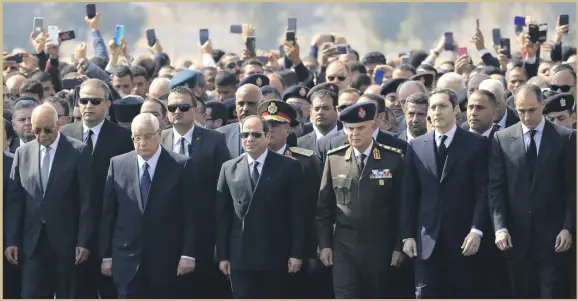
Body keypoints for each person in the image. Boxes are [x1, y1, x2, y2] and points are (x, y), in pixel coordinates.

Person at [488, 84, 576, 298]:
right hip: (516, 239)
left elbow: (572, 189)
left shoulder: (565, 138)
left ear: (542, 105)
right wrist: (500, 227)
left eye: (532, 110)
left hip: (553, 238)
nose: (526, 116)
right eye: (521, 111)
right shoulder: (503, 138)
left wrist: (568, 227)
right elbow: (496, 189)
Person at [400, 88, 489, 298]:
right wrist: (407, 235)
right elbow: (409, 195)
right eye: (433, 107)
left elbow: (482, 192)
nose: (437, 112)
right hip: (426, 240)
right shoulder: (416, 146)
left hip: (463, 239)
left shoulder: (476, 144)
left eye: (442, 106)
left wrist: (476, 230)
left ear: (456, 109)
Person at [99, 113, 199, 298]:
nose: (142, 142)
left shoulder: (180, 165)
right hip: (127, 261)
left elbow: (191, 215)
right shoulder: (118, 164)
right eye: (136, 137)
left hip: (166, 261)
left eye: (147, 136)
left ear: (159, 133)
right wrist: (107, 256)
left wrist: (188, 254)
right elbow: (108, 215)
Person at [317, 102, 405, 298]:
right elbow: (324, 208)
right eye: (350, 128)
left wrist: (398, 246)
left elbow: (401, 207)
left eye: (360, 128)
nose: (354, 133)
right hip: (344, 248)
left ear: (374, 127)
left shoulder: (392, 159)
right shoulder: (335, 159)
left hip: (380, 246)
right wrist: (324, 244)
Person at [5, 104, 93, 298]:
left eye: (47, 129)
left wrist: (83, 241)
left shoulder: (78, 151)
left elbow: (86, 201)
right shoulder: (23, 152)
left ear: (58, 125)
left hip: (67, 244)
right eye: (36, 130)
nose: (41, 135)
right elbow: (15, 201)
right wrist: (11, 240)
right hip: (33, 243)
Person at [216, 115, 305, 298]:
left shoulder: (288, 166)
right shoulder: (229, 168)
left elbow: (298, 214)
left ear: (267, 136)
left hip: (276, 255)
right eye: (245, 134)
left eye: (256, 135)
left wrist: (296, 253)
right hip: (241, 257)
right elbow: (223, 216)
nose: (249, 139)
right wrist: (223, 255)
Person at [59, 78, 133, 298]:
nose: (88, 106)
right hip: (73, 232)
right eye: (84, 100)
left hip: (109, 229)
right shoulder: (64, 134)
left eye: (95, 101)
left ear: (107, 104)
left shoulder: (123, 137)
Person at [159, 86, 231, 298]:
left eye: (183, 106)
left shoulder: (214, 140)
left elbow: (223, 189)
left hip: (204, 232)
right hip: (166, 233)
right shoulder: (159, 140)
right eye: (172, 107)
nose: (177, 111)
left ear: (195, 110)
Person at [257, 100, 322, 297]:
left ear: (288, 129)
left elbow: (314, 207)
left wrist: (310, 251)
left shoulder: (304, 160)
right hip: (258, 246)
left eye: (276, 125)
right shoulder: (250, 159)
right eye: (267, 126)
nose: (271, 130)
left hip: (292, 246)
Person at [217, 84, 263, 157]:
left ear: (261, 105)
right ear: (235, 105)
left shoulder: (272, 135)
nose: (245, 109)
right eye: (241, 104)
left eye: (251, 104)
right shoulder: (220, 135)